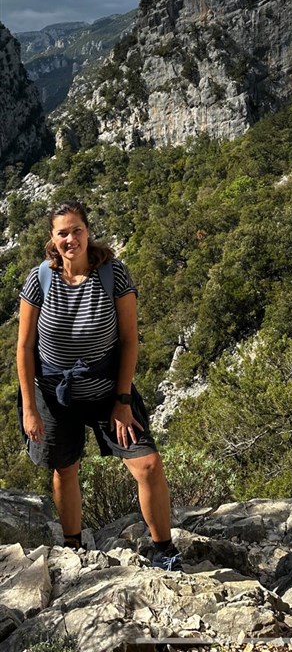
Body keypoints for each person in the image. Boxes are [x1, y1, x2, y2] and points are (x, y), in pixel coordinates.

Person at [17, 198, 181, 569]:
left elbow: (129, 340)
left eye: (77, 230)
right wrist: (30, 407)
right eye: (63, 233)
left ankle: (165, 552)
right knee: (65, 468)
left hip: (108, 389)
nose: (70, 238)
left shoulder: (113, 274)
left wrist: (122, 400)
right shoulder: (39, 279)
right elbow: (25, 347)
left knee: (149, 465)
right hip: (53, 394)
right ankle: (73, 548)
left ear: (88, 232)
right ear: (52, 238)